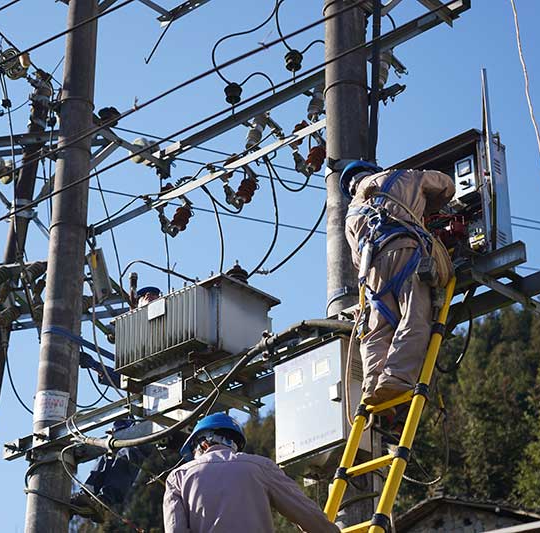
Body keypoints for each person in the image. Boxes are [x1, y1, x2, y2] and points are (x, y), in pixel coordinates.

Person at [342, 160, 455, 407]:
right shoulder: (401, 177)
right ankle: (395, 378)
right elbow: (446, 185)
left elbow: (356, 259)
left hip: (373, 272)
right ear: (374, 171)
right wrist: (426, 207)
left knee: (378, 328)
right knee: (414, 316)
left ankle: (372, 383)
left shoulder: (350, 216)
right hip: (406, 251)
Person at [163, 413, 339, 533]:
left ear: (203, 443)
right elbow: (305, 512)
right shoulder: (260, 466)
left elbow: (174, 529)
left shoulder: (178, 477)